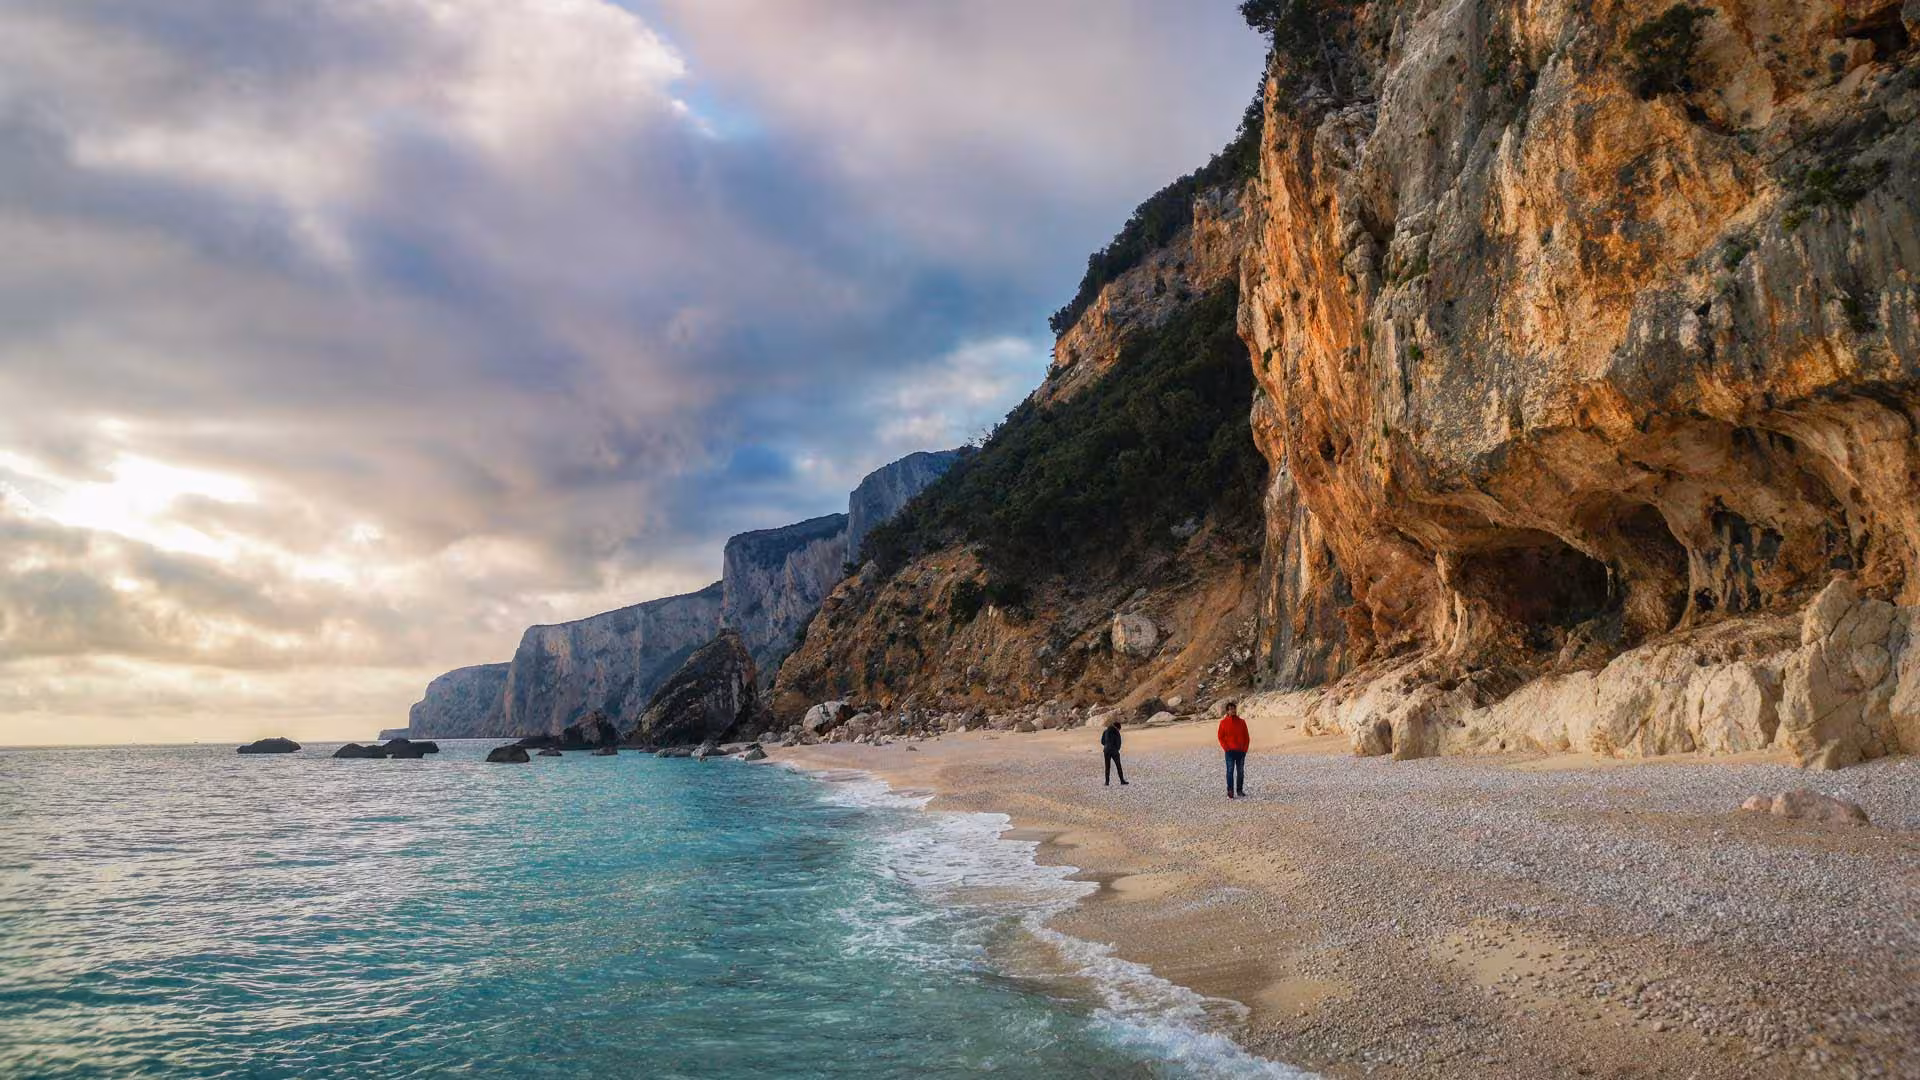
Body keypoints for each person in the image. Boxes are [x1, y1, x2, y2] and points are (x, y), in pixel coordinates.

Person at [1217, 700, 1249, 799]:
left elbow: (1246, 737)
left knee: (1240, 772)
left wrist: (1244, 750)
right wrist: (1226, 748)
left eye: (1233, 709)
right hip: (1229, 751)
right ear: (1227, 711)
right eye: (1230, 709)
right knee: (1230, 771)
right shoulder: (1223, 723)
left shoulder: (1242, 722)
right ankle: (1230, 791)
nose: (1232, 711)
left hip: (1240, 751)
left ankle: (1239, 790)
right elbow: (1220, 737)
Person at [1100, 715, 1128, 786]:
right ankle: (1122, 781)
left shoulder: (1105, 731)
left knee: (1107, 767)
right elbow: (1118, 743)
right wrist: (1116, 749)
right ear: (1117, 728)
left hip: (1106, 750)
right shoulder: (1116, 732)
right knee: (1118, 765)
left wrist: (1106, 746)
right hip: (1114, 751)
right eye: (1119, 729)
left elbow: (1102, 741)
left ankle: (1107, 782)